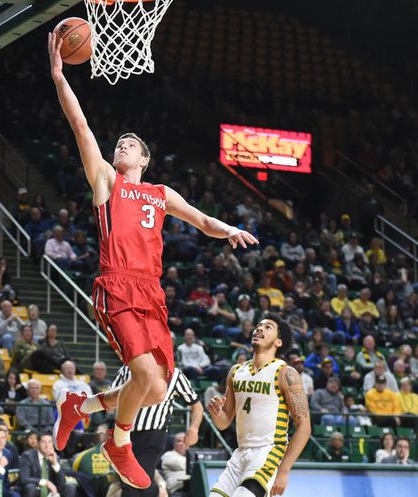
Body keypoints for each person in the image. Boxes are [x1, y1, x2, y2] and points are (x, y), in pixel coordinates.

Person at [48, 31, 258, 489]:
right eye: (119, 143)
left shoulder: (160, 194)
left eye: (129, 144)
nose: (121, 145)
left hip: (151, 291)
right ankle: (117, 442)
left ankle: (78, 408)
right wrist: (60, 77)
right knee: (143, 374)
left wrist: (229, 230)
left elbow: (202, 220)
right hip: (116, 285)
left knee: (157, 389)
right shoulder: (105, 179)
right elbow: (81, 126)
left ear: (145, 158)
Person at [207, 315, 310, 497]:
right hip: (240, 454)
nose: (260, 329)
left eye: (268, 327)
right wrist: (216, 413)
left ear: (278, 342)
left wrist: (284, 471)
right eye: (258, 326)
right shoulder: (236, 371)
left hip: (268, 451)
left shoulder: (285, 373)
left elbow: (304, 427)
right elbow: (224, 423)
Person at [110, 365, 202, 497]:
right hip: (124, 435)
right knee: (137, 483)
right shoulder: (127, 368)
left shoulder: (175, 375)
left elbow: (197, 405)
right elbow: (111, 396)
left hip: (153, 435)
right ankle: (156, 492)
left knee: (133, 483)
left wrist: (193, 428)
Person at [19, 432, 75, 497]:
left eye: (49, 442)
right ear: (37, 443)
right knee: (30, 488)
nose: (47, 445)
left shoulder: (55, 457)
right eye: (43, 442)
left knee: (70, 488)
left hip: (52, 491)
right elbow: (24, 478)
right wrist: (46, 482)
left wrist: (55, 464)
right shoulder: (27, 456)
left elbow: (62, 482)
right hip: (36, 488)